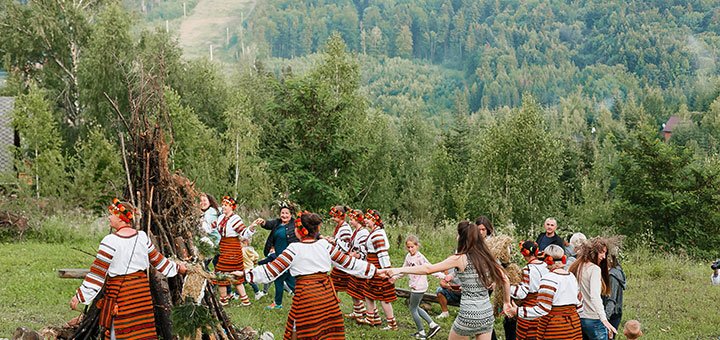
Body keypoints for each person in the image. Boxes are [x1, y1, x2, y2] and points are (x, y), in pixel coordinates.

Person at [232, 212, 378, 340]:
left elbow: (270, 271)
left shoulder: (294, 249)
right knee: (326, 329)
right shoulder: (324, 245)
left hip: (307, 295)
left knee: (301, 328)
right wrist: (376, 271)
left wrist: (245, 275)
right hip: (327, 295)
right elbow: (350, 263)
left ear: (299, 231)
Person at [70, 199, 187, 339]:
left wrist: (80, 296)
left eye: (111, 215)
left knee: (121, 332)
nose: (109, 217)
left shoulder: (110, 241)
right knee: (140, 332)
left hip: (122, 295)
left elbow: (97, 273)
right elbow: (160, 262)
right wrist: (178, 268)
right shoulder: (142, 237)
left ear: (120, 218)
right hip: (141, 293)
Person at [382, 221, 515, 340]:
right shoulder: (488, 257)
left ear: (462, 238)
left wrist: (397, 270)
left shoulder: (460, 258)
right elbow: (505, 279)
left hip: (468, 314)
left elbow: (428, 269)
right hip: (486, 314)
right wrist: (506, 302)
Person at [513, 245, 583, 340]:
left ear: (547, 260)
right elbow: (579, 306)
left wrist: (518, 311)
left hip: (555, 327)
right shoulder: (571, 276)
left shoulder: (548, 278)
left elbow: (542, 309)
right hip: (574, 326)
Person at [391, 235, 443, 339]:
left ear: (417, 246)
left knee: (413, 308)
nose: (410, 249)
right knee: (416, 307)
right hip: (414, 286)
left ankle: (422, 332)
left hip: (419, 286)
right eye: (408, 247)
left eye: (412, 247)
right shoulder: (408, 257)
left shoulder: (420, 257)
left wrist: (443, 276)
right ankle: (433, 325)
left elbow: (430, 268)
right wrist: (395, 277)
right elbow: (404, 269)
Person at [356, 209, 398, 330]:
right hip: (373, 266)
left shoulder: (378, 234)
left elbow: (382, 254)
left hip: (379, 267)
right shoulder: (374, 232)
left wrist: (388, 272)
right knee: (368, 292)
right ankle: (371, 318)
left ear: (374, 221)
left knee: (384, 297)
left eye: (368, 219)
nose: (365, 221)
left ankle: (392, 324)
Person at [568, 237, 617, 339]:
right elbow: (595, 296)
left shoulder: (576, 266)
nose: (604, 257)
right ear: (593, 253)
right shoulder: (594, 269)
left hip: (578, 317)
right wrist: (604, 320)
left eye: (605, 253)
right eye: (601, 253)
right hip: (593, 318)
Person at [213, 196, 257, 306]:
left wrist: (251, 227)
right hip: (223, 246)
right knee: (222, 274)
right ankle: (226, 299)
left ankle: (241, 300)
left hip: (232, 248)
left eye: (226, 205)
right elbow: (213, 227)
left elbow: (243, 233)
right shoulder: (221, 217)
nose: (223, 207)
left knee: (231, 274)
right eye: (222, 204)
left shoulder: (235, 219)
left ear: (232, 207)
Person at [257, 204, 300, 310]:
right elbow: (267, 224)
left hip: (289, 257)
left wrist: (320, 237)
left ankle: (304, 300)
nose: (284, 215)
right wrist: (262, 222)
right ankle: (278, 303)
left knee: (290, 280)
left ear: (291, 215)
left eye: (286, 213)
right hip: (278, 257)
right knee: (280, 279)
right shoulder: (277, 223)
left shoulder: (295, 224)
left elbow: (307, 232)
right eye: (282, 213)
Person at [510, 241, 549, 340]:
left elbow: (522, 293)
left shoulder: (527, 269)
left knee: (528, 335)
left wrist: (507, 287)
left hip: (530, 307)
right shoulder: (546, 265)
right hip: (544, 306)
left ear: (524, 253)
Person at [345, 209, 370, 320]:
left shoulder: (363, 232)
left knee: (360, 290)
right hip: (354, 263)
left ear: (358, 220)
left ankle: (370, 313)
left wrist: (356, 255)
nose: (350, 222)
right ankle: (357, 311)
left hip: (360, 264)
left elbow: (364, 250)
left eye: (352, 219)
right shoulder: (356, 231)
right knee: (352, 289)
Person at [325, 205, 353, 292]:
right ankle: (334, 303)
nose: (333, 218)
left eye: (334, 216)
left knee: (350, 288)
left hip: (344, 260)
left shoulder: (345, 228)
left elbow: (346, 246)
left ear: (340, 216)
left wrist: (334, 241)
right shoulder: (339, 226)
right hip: (338, 260)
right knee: (333, 286)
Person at [602, 253, 626, 339]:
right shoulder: (616, 270)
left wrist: (605, 319)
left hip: (611, 314)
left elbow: (611, 300)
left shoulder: (612, 276)